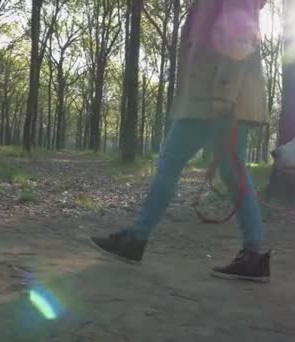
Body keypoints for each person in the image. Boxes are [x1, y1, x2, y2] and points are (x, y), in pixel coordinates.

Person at [91, 0, 270, 282]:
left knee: (172, 165)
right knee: (231, 174)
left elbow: (240, 36)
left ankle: (136, 240)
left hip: (212, 103)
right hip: (206, 101)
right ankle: (254, 254)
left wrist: (224, 95)